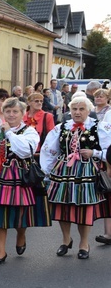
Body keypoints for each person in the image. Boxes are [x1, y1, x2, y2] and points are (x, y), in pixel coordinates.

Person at [0, 97, 50, 264]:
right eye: (8, 111)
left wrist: (9, 132)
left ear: (23, 113)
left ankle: (21, 234)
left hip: (19, 175)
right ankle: (0, 251)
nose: (11, 115)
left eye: (15, 111)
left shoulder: (29, 131)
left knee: (19, 213)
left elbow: (25, 151)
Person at [40, 94, 111, 260]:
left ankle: (84, 244)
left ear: (88, 111)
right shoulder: (61, 127)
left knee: (84, 208)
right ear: (69, 110)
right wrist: (47, 171)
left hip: (87, 171)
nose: (77, 112)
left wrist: (95, 153)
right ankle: (66, 240)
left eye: (81, 109)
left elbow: (110, 151)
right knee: (62, 206)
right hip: (64, 170)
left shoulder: (99, 127)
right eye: (74, 109)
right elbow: (48, 149)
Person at [23, 92, 55, 159]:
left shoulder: (47, 116)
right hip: (23, 152)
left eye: (41, 101)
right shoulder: (22, 116)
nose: (39, 103)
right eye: (36, 101)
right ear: (29, 103)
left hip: (40, 154)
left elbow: (52, 136)